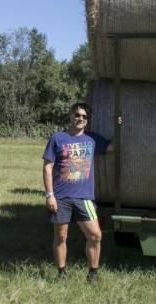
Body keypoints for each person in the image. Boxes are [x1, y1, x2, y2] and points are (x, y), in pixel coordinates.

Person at [42, 101, 111, 282]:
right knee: (61, 236)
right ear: (71, 116)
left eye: (84, 117)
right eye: (77, 115)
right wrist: (50, 195)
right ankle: (61, 274)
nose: (80, 118)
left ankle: (93, 273)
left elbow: (113, 148)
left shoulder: (92, 139)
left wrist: (121, 124)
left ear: (87, 121)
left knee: (95, 235)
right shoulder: (57, 138)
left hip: (84, 197)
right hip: (60, 196)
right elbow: (48, 167)